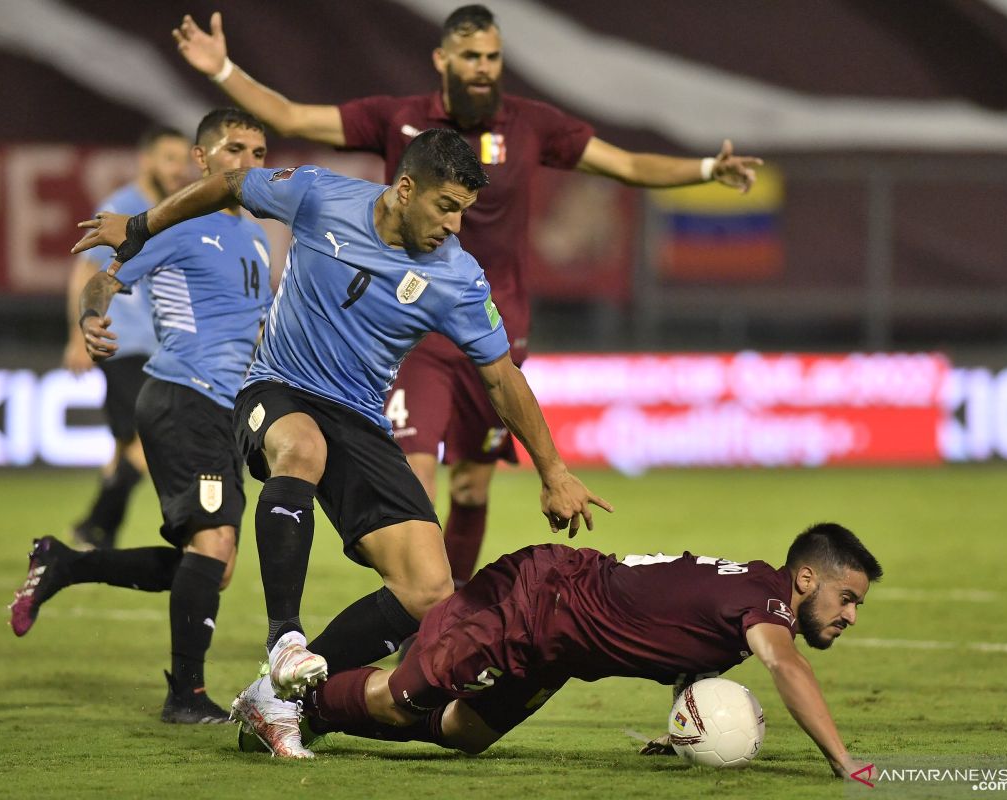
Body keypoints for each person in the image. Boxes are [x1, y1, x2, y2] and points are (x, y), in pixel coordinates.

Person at [172, 4, 761, 588]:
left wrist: (706, 167)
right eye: (472, 56)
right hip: (413, 334)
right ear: (443, 59)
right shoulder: (399, 118)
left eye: (493, 57)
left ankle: (440, 624)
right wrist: (222, 70)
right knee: (416, 474)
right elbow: (291, 116)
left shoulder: (531, 124)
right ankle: (412, 606)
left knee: (472, 486)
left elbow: (627, 163)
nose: (484, 68)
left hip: (494, 333)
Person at [70, 129, 612, 739]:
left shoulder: (458, 278)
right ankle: (284, 639)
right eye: (446, 207)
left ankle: (278, 698)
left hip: (360, 417)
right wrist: (142, 224)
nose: (456, 226)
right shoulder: (320, 196)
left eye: (464, 211)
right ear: (405, 189)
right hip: (276, 386)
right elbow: (228, 184)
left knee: (428, 589)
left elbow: (502, 379)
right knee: (302, 448)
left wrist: (553, 469)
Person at [233, 522, 881, 778]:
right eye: (847, 598)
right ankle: (283, 700)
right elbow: (785, 665)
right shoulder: (766, 604)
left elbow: (690, 653)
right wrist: (843, 760)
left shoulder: (751, 600)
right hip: (538, 605)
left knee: (466, 732)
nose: (850, 615)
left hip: (561, 644)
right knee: (403, 701)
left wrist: (688, 723)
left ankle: (313, 710)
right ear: (805, 580)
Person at [9, 108, 273, 725]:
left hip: (222, 408)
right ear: (202, 160)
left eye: (260, 153)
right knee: (213, 543)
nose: (250, 164)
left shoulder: (258, 235)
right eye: (236, 149)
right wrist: (89, 319)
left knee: (216, 564)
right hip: (182, 397)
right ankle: (186, 696)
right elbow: (104, 279)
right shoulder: (179, 222)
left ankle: (66, 563)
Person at [63, 125, 190, 550]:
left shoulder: (173, 210)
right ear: (146, 160)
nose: (178, 168)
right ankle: (95, 523)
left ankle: (100, 532)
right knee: (152, 439)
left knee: (124, 445)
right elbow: (84, 271)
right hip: (123, 343)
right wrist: (78, 333)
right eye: (169, 159)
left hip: (163, 345)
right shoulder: (120, 208)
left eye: (182, 160)